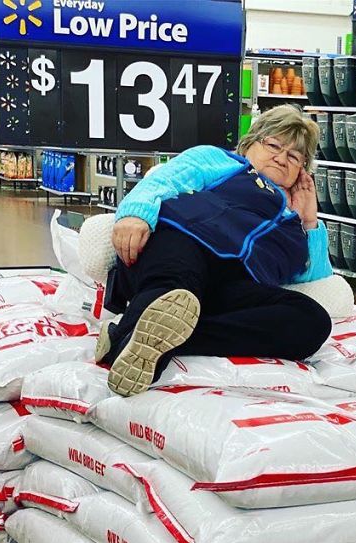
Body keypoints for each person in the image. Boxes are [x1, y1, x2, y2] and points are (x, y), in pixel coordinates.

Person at [97, 105, 333, 397]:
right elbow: (164, 180)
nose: (281, 158)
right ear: (250, 143)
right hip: (184, 243)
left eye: (294, 157)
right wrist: (135, 214)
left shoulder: (291, 221)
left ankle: (141, 336)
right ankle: (134, 351)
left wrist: (308, 220)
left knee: (311, 322)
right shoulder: (220, 161)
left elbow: (313, 275)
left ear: (301, 171)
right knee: (174, 284)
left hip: (233, 286)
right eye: (274, 145)